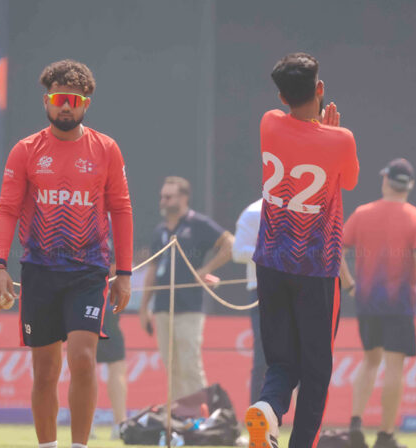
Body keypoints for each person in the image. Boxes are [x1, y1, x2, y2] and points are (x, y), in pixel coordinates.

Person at [0, 59, 133, 448]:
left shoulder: (106, 149)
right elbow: (7, 210)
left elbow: (121, 210)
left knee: (84, 359)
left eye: (73, 100)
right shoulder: (25, 151)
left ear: (86, 103)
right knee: (45, 371)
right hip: (39, 272)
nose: (65, 107)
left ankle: (79, 446)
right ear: (46, 102)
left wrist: (125, 273)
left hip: (88, 272)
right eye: (58, 100)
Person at [246, 52, 358, 448]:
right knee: (316, 371)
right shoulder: (340, 138)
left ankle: (268, 407)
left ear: (281, 96)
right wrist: (328, 132)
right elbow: (349, 180)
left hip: (270, 263)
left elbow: (294, 131)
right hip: (316, 269)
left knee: (281, 361)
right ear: (320, 89)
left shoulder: (269, 122)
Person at [341, 158, 416, 448]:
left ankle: (355, 424)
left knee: (369, 360)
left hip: (366, 302)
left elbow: (335, 250)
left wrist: (349, 285)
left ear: (386, 180)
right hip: (399, 305)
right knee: (394, 366)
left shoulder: (362, 213)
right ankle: (385, 436)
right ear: (409, 186)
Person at [139, 176, 233, 401]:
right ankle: (178, 414)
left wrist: (207, 268)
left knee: (190, 364)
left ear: (183, 198)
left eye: (168, 196)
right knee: (171, 367)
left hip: (189, 307)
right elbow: (153, 269)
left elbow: (230, 243)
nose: (163, 201)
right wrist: (144, 308)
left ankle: (201, 413)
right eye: (162, 196)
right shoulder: (160, 230)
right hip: (162, 308)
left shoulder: (198, 224)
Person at [232, 199, 268, 404]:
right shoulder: (254, 212)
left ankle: (302, 417)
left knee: (299, 356)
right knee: (263, 356)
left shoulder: (303, 208)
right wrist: (271, 252)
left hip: (298, 289)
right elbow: (238, 251)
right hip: (262, 290)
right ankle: (256, 414)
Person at [95, 238, 127, 440]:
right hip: (103, 307)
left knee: (85, 365)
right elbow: (116, 269)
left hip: (80, 305)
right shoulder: (108, 230)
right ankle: (119, 424)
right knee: (115, 366)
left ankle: (88, 424)